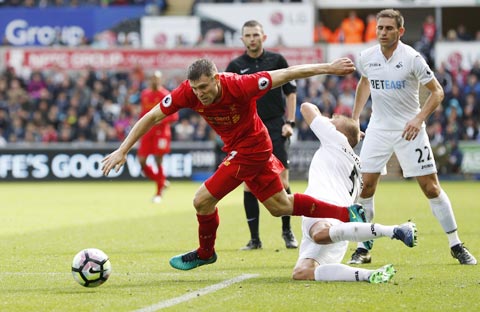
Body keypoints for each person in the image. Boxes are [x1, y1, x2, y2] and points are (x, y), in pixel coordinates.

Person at [102, 57, 365, 271]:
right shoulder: (187, 93)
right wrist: (123, 149)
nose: (200, 94)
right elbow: (152, 116)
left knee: (201, 200)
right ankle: (348, 213)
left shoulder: (240, 85)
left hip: (252, 148)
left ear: (216, 79)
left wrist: (328, 68)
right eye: (195, 89)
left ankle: (206, 253)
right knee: (279, 206)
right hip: (243, 149)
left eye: (204, 87)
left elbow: (287, 73)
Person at [349, 9, 477, 265]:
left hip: (410, 129)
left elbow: (437, 92)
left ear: (400, 31)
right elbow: (364, 82)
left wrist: (419, 120)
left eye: (388, 28)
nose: (383, 32)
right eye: (380, 28)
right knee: (366, 187)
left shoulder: (412, 58)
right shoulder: (366, 57)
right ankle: (363, 248)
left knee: (430, 187)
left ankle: (456, 244)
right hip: (378, 129)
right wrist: (355, 118)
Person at [292, 102, 417, 283]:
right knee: (302, 273)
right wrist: (352, 133)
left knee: (318, 234)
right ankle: (370, 275)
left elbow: (306, 107)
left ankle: (394, 230)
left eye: (335, 119)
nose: (331, 119)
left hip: (321, 206)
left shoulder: (334, 139)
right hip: (342, 225)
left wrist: (340, 127)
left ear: (338, 131)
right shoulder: (357, 164)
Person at [225, 20, 298, 250]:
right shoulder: (235, 65)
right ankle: (254, 239)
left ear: (264, 37)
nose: (252, 38)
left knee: (283, 181)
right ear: (242, 39)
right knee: (249, 185)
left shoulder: (277, 60)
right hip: (249, 131)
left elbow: (291, 91)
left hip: (276, 126)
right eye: (248, 35)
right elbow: (228, 101)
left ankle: (287, 232)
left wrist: (290, 122)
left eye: (256, 34)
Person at [137, 71, 179, 203]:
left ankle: (159, 193)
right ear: (150, 80)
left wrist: (160, 120)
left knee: (158, 159)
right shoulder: (145, 94)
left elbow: (174, 116)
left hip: (161, 133)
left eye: (157, 79)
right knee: (141, 160)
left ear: (161, 80)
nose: (155, 81)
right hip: (148, 131)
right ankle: (161, 181)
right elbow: (143, 113)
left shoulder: (165, 95)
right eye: (153, 78)